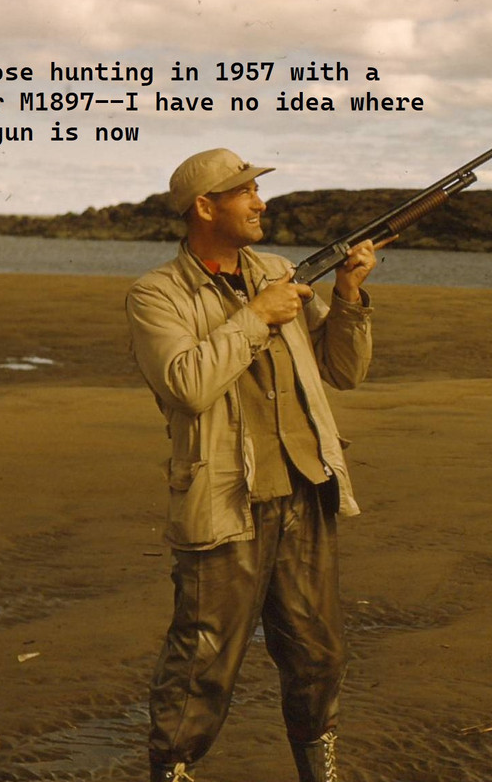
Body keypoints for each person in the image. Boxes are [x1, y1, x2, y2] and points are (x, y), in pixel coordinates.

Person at [125, 148, 385, 782]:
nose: (260, 201)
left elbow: (343, 371)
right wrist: (254, 316)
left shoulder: (276, 270)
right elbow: (186, 384)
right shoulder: (155, 294)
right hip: (224, 502)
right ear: (204, 207)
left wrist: (348, 295)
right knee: (201, 664)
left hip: (306, 487)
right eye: (244, 191)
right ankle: (174, 772)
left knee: (319, 656)